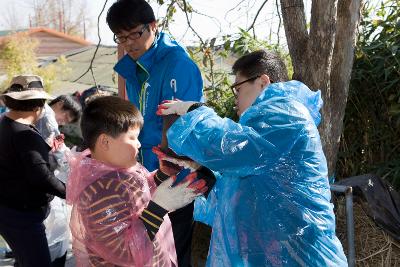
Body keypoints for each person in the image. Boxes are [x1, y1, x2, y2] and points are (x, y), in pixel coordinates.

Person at [156, 50, 348, 266]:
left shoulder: (286, 113)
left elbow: (230, 147)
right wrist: (203, 170)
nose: (235, 99)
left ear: (263, 82)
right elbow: (236, 204)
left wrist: (195, 111)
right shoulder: (264, 130)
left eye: (238, 89)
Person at [107, 1, 204, 265]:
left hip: (172, 179)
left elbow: (177, 128)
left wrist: (161, 177)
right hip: (146, 174)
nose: (128, 43)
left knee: (173, 253)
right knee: (149, 250)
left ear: (153, 26)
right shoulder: (135, 66)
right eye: (121, 37)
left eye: (134, 34)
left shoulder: (176, 64)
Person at [66, 96, 208, 266]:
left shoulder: (116, 174)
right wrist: (158, 208)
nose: (139, 144)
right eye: (133, 138)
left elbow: (137, 195)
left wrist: (162, 175)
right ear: (105, 141)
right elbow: (126, 253)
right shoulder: (99, 192)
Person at [0, 74, 66, 267]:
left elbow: (22, 160)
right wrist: (70, 192)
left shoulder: (5, 124)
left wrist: (43, 148)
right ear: (39, 107)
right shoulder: (25, 134)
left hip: (8, 209)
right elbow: (41, 177)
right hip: (22, 216)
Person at [35, 94, 81, 266]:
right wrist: (73, 163)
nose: (64, 122)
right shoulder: (47, 116)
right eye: (66, 116)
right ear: (60, 104)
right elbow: (58, 150)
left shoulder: (42, 113)